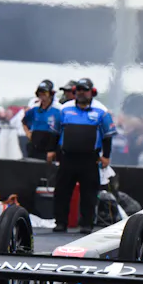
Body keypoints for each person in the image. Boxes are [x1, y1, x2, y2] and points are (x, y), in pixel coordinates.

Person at [53, 78, 117, 233]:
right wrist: (54, 152)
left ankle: (87, 224)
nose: (81, 93)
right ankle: (60, 222)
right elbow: (55, 132)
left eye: (85, 90)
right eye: (79, 90)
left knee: (89, 194)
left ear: (92, 92)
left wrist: (106, 156)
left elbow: (108, 136)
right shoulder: (64, 109)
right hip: (67, 157)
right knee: (61, 191)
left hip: (90, 159)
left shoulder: (101, 111)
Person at [22, 80, 62, 161]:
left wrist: (55, 150)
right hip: (35, 145)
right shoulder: (34, 108)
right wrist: (29, 134)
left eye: (44, 94)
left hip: (51, 145)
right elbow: (24, 121)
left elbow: (63, 130)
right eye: (40, 94)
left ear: (51, 94)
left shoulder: (59, 109)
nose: (42, 97)